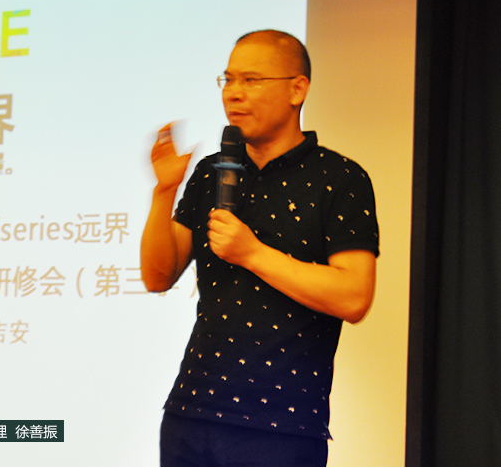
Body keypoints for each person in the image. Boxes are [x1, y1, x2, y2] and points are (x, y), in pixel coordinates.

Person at [140, 30, 379, 467]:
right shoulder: (212, 172)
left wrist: (252, 253)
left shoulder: (340, 179)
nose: (233, 93)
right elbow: (157, 276)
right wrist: (164, 192)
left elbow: (354, 296)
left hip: (281, 427)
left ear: (297, 89)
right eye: (228, 79)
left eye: (250, 80)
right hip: (191, 413)